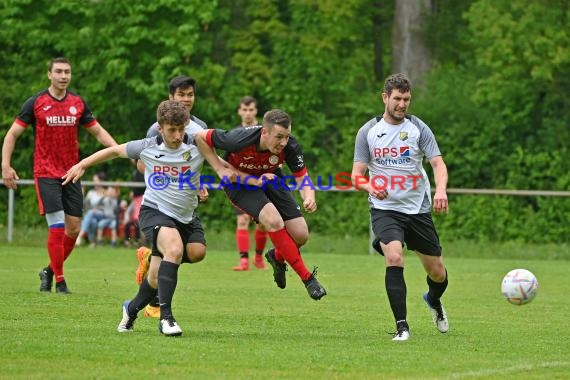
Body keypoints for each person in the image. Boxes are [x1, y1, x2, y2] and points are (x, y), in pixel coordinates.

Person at [1, 57, 117, 294]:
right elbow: (12, 135)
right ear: (49, 75)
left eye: (67, 72)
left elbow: (98, 132)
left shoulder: (77, 103)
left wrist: (119, 150)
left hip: (71, 172)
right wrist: (5, 165)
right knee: (56, 226)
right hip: (45, 173)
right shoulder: (36, 103)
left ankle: (49, 271)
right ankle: (60, 282)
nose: (64, 76)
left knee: (73, 229)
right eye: (59, 72)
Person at [351, 73, 450, 341]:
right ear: (385, 98)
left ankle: (433, 300)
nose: (402, 104)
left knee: (438, 274)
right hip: (385, 208)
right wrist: (371, 188)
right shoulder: (368, 132)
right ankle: (402, 326)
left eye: (406, 99)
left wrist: (440, 190)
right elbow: (356, 175)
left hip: (417, 208)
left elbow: (438, 164)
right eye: (397, 98)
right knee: (394, 257)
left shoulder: (418, 129)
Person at [194, 109, 327, 301]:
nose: (283, 142)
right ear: (264, 132)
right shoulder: (238, 139)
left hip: (271, 178)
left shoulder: (290, 146)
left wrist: (309, 195)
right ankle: (308, 279)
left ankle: (277, 257)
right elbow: (200, 137)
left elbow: (302, 177)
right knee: (273, 220)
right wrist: (219, 168)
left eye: (287, 137)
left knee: (300, 234)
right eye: (279, 137)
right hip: (239, 184)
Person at [134, 75, 210, 318]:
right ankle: (159, 309)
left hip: (185, 202)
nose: (186, 99)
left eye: (190, 95)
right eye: (181, 95)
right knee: (173, 251)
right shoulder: (159, 125)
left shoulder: (200, 127)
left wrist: (195, 184)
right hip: (160, 202)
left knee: (195, 252)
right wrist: (165, 180)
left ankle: (151, 257)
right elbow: (141, 163)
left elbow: (196, 164)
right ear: (171, 97)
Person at [231, 96, 268, 271]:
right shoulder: (234, 135)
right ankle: (244, 260)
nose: (247, 113)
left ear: (256, 111)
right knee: (242, 220)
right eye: (244, 110)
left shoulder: (264, 132)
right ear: (239, 111)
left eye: (251, 110)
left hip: (262, 182)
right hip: (241, 183)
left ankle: (258, 258)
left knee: (263, 223)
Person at [76, 172, 107, 247]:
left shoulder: (106, 193)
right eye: (93, 181)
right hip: (91, 215)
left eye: (96, 181)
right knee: (93, 221)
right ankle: (93, 242)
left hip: (103, 215)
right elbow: (85, 206)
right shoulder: (91, 193)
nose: (94, 183)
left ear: (101, 181)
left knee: (91, 213)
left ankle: (79, 236)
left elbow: (108, 207)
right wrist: (81, 195)